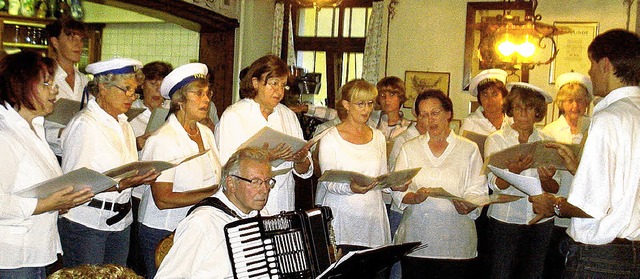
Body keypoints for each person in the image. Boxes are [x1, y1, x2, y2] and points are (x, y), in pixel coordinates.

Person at [530, 29, 640, 278]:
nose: (589, 73)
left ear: (605, 64)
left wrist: (553, 205)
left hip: (602, 258)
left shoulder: (608, 117)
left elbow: (591, 206)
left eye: (591, 64)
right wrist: (579, 169)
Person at [59, 58, 161, 268]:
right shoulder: (85, 124)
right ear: (103, 88)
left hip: (121, 221)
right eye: (126, 90)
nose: (132, 97)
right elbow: (74, 184)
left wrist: (140, 177)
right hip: (87, 223)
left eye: (134, 91)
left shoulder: (123, 123)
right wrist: (120, 184)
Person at [0, 51, 94, 279]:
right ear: (19, 87)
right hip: (14, 257)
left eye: (53, 83)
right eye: (45, 84)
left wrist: (59, 202)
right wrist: (45, 204)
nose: (55, 90)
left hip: (38, 249)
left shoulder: (34, 127)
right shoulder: (5, 136)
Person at [316, 79, 408, 279]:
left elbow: (381, 180)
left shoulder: (378, 137)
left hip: (373, 221)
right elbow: (329, 182)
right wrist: (352, 188)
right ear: (346, 105)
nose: (367, 110)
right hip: (342, 221)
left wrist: (395, 186)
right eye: (360, 104)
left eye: (369, 104)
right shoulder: (330, 137)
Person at [137, 63, 222, 279]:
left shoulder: (206, 133)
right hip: (164, 232)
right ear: (179, 100)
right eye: (198, 94)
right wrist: (212, 194)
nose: (206, 100)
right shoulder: (163, 139)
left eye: (207, 93)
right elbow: (163, 199)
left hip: (197, 228)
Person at [392, 89, 486, 279]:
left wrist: (468, 205)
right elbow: (398, 190)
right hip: (417, 240)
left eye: (435, 113)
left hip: (456, 241)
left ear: (448, 114)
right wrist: (414, 197)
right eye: (424, 115)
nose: (430, 120)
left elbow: (478, 190)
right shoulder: (409, 148)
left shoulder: (468, 148)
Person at [155, 147, 273, 278]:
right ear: (231, 183)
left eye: (267, 182)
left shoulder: (262, 215)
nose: (265, 190)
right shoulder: (202, 223)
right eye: (255, 182)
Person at [216, 55, 312, 214]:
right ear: (255, 83)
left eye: (283, 85)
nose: (279, 91)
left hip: (283, 202)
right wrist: (265, 159)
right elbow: (226, 168)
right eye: (274, 84)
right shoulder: (234, 115)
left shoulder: (288, 116)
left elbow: (303, 171)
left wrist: (301, 159)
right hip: (247, 206)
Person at [485, 82, 558, 278]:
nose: (524, 114)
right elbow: (493, 184)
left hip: (541, 219)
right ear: (511, 110)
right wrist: (512, 173)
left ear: (538, 111)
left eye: (530, 108)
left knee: (534, 274)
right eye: (518, 108)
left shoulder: (547, 140)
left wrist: (546, 179)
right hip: (506, 219)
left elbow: (555, 187)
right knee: (501, 273)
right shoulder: (497, 139)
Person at [541, 72, 592, 278]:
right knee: (555, 265)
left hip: (586, 205)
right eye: (570, 101)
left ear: (587, 102)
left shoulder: (595, 127)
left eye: (580, 100)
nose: (575, 106)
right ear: (561, 103)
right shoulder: (550, 131)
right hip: (560, 202)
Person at [43, 17, 90, 160]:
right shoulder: (44, 79)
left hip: (80, 153)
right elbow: (29, 124)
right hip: (51, 155)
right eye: (71, 38)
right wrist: (62, 132)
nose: (78, 44)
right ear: (55, 42)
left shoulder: (85, 81)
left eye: (81, 39)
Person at [129, 61, 173, 141]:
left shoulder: (174, 110)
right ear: (142, 84)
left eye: (162, 85)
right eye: (153, 84)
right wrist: (136, 145)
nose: (158, 89)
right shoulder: (130, 111)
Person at [461, 69, 512, 136]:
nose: (490, 99)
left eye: (495, 94)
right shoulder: (470, 123)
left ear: (503, 96)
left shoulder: (513, 121)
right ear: (479, 98)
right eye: (485, 95)